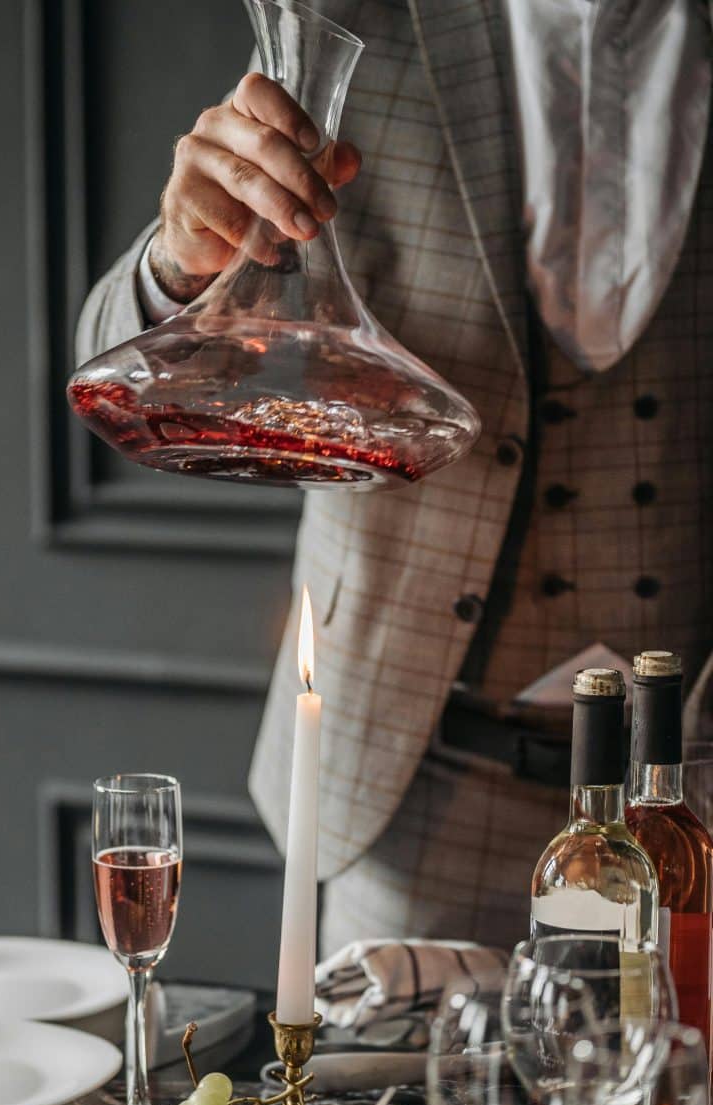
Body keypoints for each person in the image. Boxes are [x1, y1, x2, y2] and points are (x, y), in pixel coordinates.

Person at [76, 0, 713, 955]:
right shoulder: (353, 14)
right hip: (409, 783)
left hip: (685, 794)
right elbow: (108, 354)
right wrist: (180, 258)